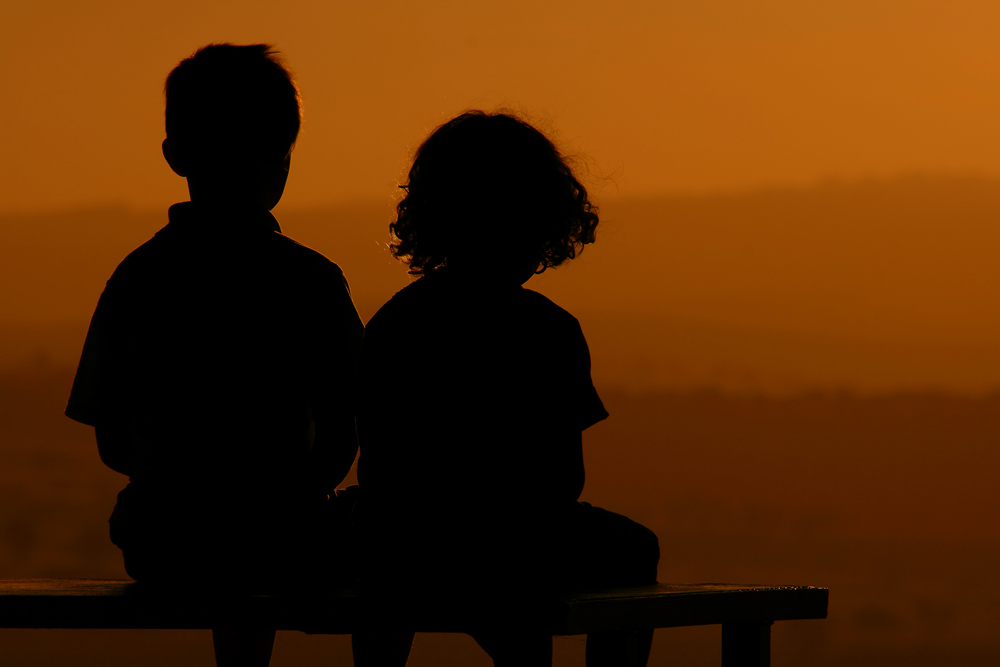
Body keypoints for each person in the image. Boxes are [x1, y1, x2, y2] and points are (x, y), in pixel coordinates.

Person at [65, 43, 363, 667]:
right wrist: (288, 494)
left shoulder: (138, 277)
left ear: (176, 156)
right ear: (281, 160)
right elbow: (345, 429)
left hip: (162, 541)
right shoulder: (309, 280)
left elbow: (112, 441)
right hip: (285, 540)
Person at [354, 111, 660, 667]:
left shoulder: (396, 321)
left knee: (378, 552)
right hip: (513, 549)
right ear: (544, 219)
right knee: (635, 548)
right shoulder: (548, 330)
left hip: (401, 544)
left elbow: (378, 465)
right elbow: (561, 480)